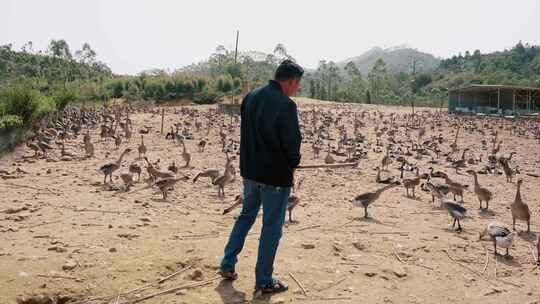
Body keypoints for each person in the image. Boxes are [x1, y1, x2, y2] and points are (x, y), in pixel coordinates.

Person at [219, 60, 304, 294]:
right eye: (297, 85)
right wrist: (294, 162)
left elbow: (247, 133)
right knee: (271, 227)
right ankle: (264, 279)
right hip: (275, 177)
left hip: (250, 172)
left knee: (245, 216)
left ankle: (227, 264)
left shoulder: (251, 96)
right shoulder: (286, 105)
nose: (296, 89)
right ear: (291, 81)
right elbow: (292, 143)